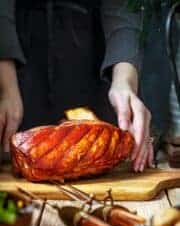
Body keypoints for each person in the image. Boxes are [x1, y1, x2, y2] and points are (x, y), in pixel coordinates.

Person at [0, 0, 153, 172]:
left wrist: (125, 82)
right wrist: (6, 88)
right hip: (15, 62)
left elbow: (123, 7)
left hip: (93, 60)